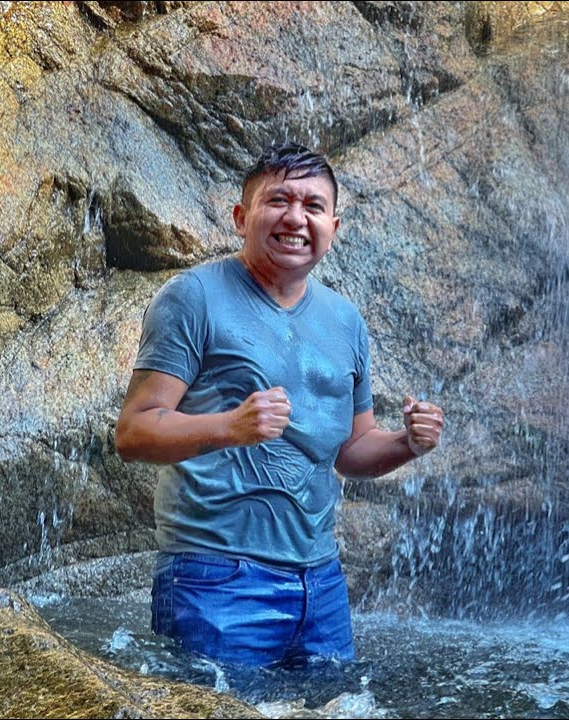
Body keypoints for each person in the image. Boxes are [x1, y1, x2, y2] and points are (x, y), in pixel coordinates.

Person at [114, 141, 444, 667]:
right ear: (242, 217)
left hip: (321, 584)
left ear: (334, 227)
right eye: (278, 201)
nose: (296, 217)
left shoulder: (346, 321)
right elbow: (132, 433)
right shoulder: (193, 297)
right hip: (215, 577)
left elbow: (352, 451)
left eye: (313, 206)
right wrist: (231, 426)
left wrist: (408, 442)